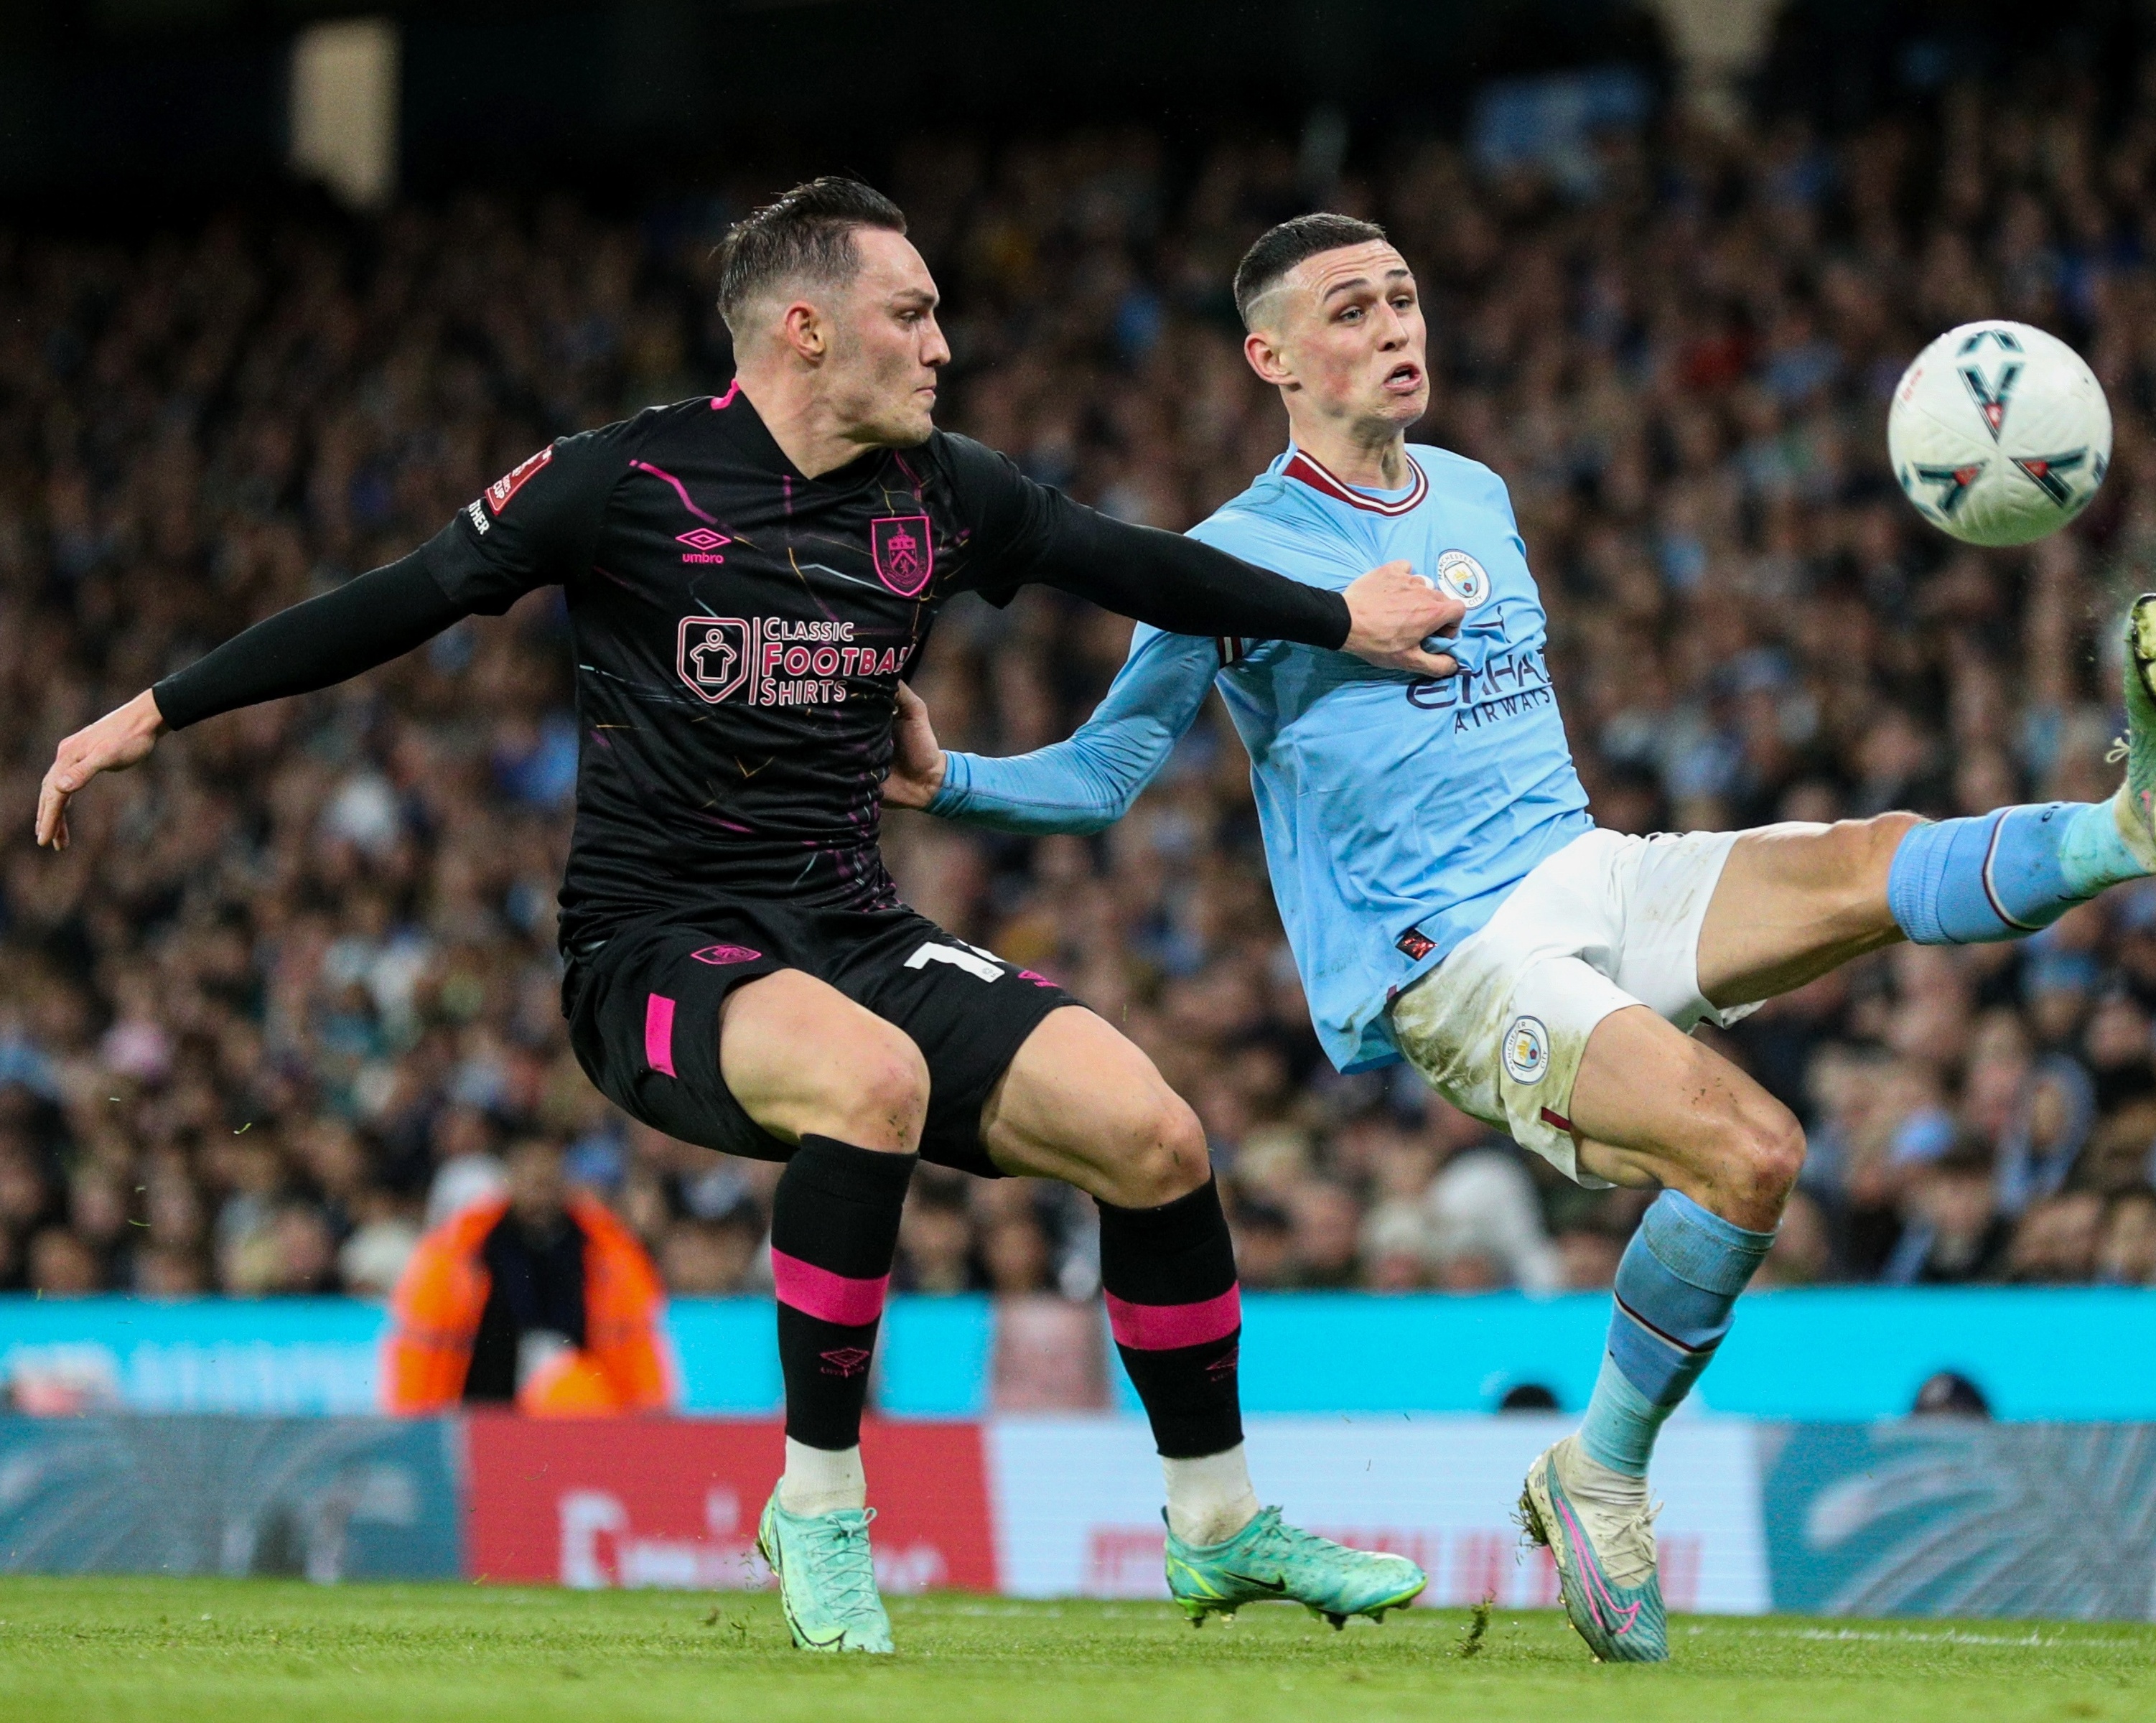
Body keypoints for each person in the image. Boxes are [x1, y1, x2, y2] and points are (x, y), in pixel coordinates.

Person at [34, 180, 1452, 1653]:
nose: (941, 346)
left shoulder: (941, 493)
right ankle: (819, 1507)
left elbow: (1130, 563)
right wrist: (156, 710)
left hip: (848, 924)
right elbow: (402, 598)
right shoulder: (623, 480)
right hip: (653, 947)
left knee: (1155, 1135)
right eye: (911, 315)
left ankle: (1217, 1525)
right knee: (870, 1080)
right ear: (805, 329)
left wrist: (1341, 620)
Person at [894, 211, 2156, 1662]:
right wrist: (946, 778)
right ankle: (1598, 1470)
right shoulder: (1230, 556)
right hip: (1458, 959)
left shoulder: (1475, 489)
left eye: (1405, 297)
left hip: (1585, 869)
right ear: (1269, 357)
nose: (1396, 328)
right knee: (1752, 1150)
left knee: (1870, 860)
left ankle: (2130, 829)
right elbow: (1104, 775)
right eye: (1349, 311)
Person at [383, 1139, 673, 1416]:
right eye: (531, 1181)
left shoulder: (605, 1252)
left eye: (547, 1182)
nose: (540, 1195)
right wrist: (415, 1428)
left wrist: (648, 1423)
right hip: (481, 1407)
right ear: (510, 1181)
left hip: (581, 1409)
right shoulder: (462, 1251)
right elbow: (423, 1347)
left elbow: (637, 1347)